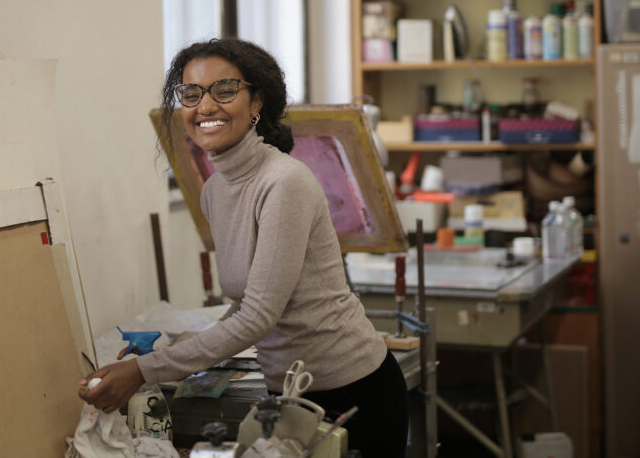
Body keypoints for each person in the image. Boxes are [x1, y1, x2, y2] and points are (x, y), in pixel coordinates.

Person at [79, 38, 408, 456]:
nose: (206, 107)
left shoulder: (284, 182)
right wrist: (178, 353)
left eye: (225, 90)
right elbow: (245, 303)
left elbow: (258, 316)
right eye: (191, 94)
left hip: (354, 392)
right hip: (286, 395)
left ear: (257, 103)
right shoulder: (215, 190)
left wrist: (143, 370)